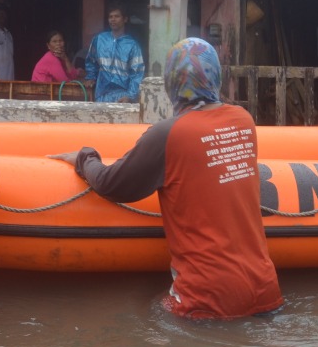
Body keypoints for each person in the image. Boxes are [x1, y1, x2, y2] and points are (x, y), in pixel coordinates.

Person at [56, 37, 283, 319]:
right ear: (215, 76)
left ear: (171, 82)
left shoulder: (168, 134)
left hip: (207, 299)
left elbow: (111, 184)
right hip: (266, 289)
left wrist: (84, 157)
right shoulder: (243, 121)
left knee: (143, 322)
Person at [84, 5, 145, 103]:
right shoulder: (99, 40)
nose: (113, 19)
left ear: (125, 19)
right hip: (101, 94)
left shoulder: (132, 45)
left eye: (117, 16)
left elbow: (137, 74)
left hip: (123, 96)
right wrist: (90, 77)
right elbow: (91, 61)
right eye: (110, 17)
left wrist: (130, 96)